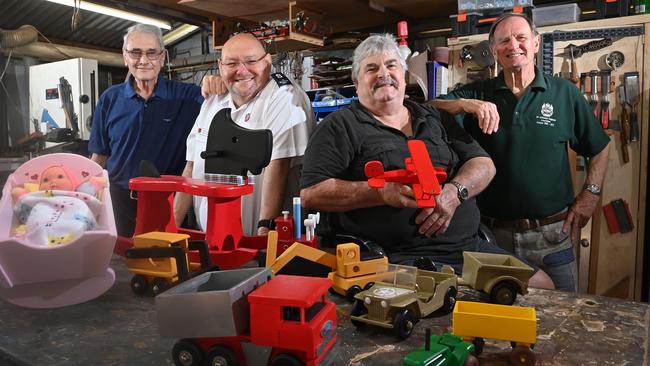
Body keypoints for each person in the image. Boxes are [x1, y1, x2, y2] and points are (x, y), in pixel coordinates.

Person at [299, 33, 553, 288]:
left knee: (541, 284)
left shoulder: (433, 117)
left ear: (404, 74)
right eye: (371, 68)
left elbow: (483, 164)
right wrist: (379, 193)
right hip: (392, 260)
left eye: (391, 65)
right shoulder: (340, 126)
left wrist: (455, 192)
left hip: (467, 249)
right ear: (356, 83)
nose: (383, 74)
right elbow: (312, 193)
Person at [432, 13, 610, 291]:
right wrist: (468, 104)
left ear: (536, 43)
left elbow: (599, 147)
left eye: (521, 38)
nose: (513, 45)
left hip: (552, 235)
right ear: (493, 51)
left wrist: (591, 194)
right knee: (499, 326)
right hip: (492, 238)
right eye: (504, 40)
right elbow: (430, 107)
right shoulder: (479, 93)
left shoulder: (564, 94)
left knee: (563, 319)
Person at [173, 33, 314, 236]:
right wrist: (171, 230)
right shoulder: (212, 101)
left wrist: (263, 237)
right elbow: (191, 166)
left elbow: (279, 167)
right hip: (210, 240)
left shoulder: (284, 97)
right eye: (232, 63)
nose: (242, 71)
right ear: (220, 66)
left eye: (251, 61)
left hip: (257, 242)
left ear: (267, 62)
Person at [88, 24, 221, 238]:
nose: (143, 60)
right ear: (125, 57)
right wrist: (85, 199)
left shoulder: (188, 97)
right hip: (118, 203)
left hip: (168, 203)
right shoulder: (109, 99)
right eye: (135, 52)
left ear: (162, 57)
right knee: (121, 261)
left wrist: (215, 82)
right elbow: (98, 157)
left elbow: (221, 103)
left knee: (166, 263)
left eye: (151, 53)